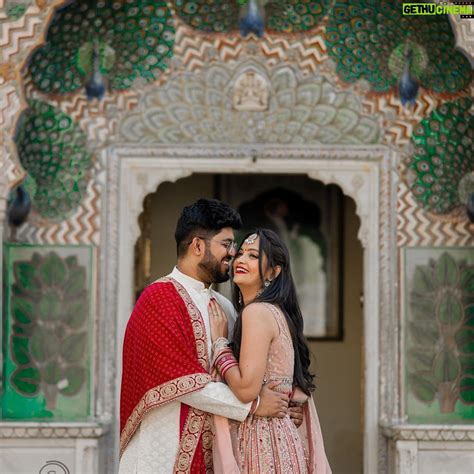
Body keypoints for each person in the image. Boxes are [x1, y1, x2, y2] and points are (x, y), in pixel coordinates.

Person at [119, 199, 296, 473]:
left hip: (220, 453)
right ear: (198, 246)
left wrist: (285, 403)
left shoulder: (225, 307)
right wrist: (255, 404)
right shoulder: (160, 299)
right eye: (227, 244)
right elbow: (183, 382)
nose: (233, 253)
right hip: (162, 455)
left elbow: (249, 371)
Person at [209, 228, 331, 473]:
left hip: (262, 442)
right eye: (240, 253)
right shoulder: (274, 312)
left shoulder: (257, 313)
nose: (241, 260)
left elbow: (246, 389)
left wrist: (219, 344)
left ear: (274, 272)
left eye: (253, 256)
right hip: (282, 439)